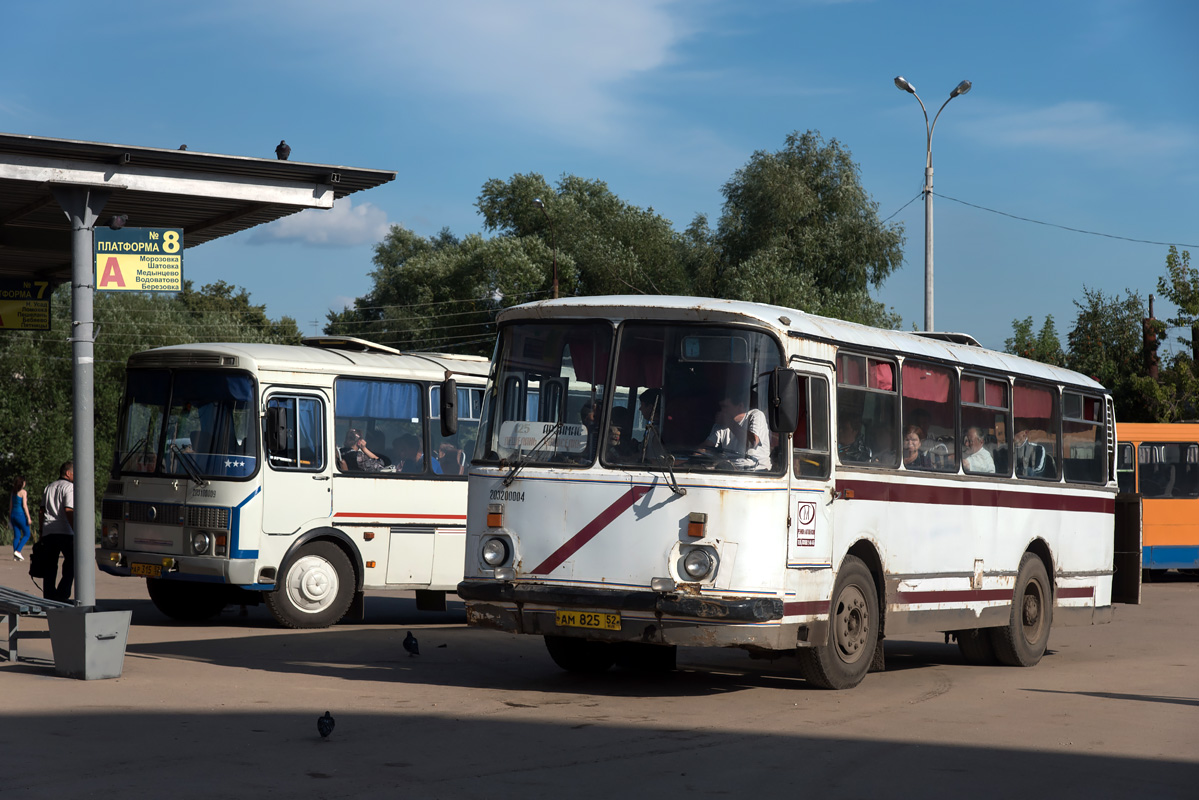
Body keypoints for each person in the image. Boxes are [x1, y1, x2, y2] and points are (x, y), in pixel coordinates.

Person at [700, 394, 771, 471]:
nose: (722, 411)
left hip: (757, 471)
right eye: (720, 407)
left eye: (725, 407)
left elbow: (752, 442)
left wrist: (730, 423)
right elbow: (707, 447)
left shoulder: (755, 415)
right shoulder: (721, 424)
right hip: (732, 470)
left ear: (740, 406)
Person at [39, 461, 75, 601]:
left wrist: (41, 531)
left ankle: (49, 596)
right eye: (74, 473)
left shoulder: (49, 487)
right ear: (68, 473)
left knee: (50, 566)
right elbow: (68, 510)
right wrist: (75, 530)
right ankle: (62, 594)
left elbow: (42, 510)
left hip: (49, 531)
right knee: (71, 562)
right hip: (65, 531)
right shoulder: (70, 487)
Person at [9, 476, 31, 562]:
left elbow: (10, 506)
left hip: (13, 515)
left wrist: (10, 516)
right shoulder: (23, 492)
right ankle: (18, 551)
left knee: (17, 535)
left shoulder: (13, 492)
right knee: (27, 534)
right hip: (20, 514)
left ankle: (15, 555)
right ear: (22, 483)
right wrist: (28, 517)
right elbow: (25, 505)